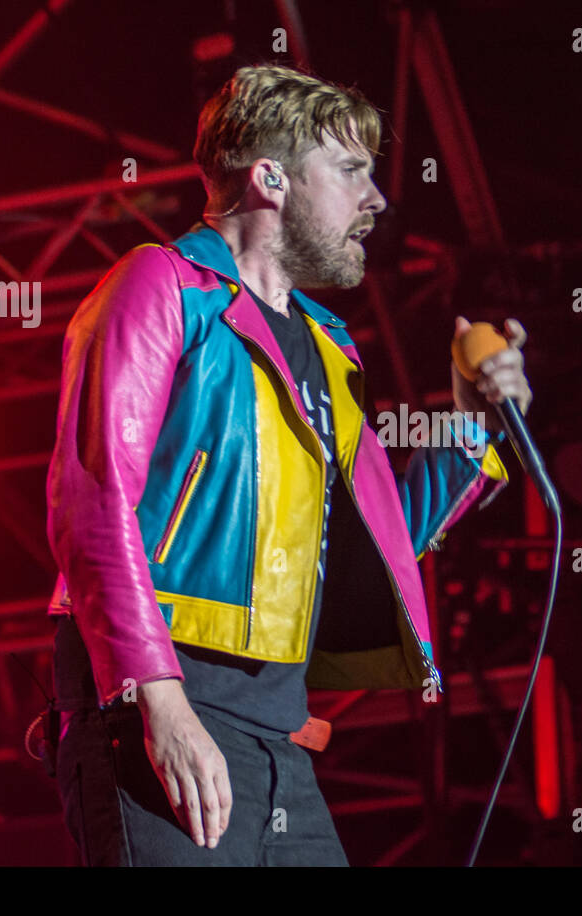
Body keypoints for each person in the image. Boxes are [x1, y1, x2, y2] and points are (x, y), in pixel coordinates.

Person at [44, 63, 533, 865]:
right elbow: (93, 504)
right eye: (350, 171)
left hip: (280, 738)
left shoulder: (329, 346)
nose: (376, 200)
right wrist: (157, 703)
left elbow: (376, 542)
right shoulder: (160, 287)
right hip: (164, 697)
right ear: (270, 176)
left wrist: (472, 425)